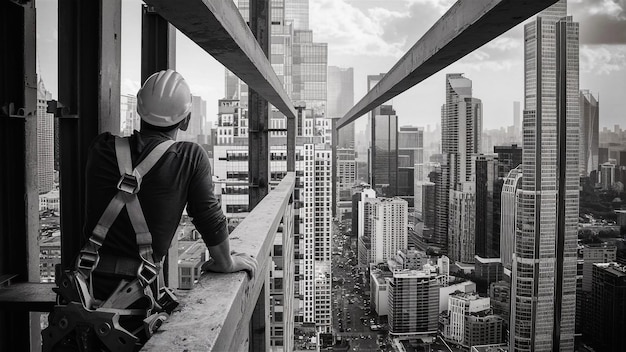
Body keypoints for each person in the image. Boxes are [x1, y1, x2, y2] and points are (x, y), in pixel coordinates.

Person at [83, 68, 257, 301]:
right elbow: (208, 216)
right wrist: (227, 262)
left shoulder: (101, 147)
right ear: (185, 121)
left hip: (85, 284)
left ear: (139, 110)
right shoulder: (190, 157)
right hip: (136, 292)